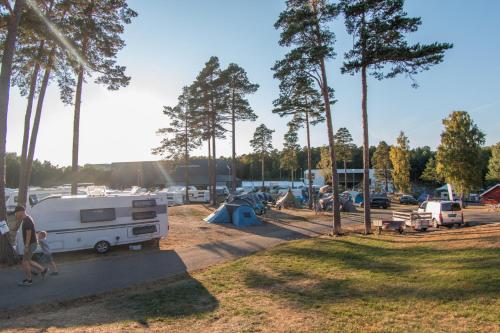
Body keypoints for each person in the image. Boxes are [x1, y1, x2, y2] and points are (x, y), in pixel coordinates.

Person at [15, 205, 47, 286]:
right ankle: (43, 270)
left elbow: (28, 234)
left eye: (16, 213)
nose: (15, 214)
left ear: (21, 212)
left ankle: (29, 280)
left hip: (31, 244)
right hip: (32, 243)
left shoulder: (27, 221)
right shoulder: (27, 219)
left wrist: (26, 247)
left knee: (24, 262)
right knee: (28, 261)